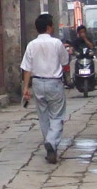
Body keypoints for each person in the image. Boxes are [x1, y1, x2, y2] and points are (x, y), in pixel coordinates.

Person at [21, 13, 69, 164]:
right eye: (52, 25)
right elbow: (65, 61)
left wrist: (25, 88)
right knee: (57, 115)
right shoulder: (56, 43)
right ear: (49, 27)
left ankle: (50, 149)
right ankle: (51, 141)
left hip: (37, 83)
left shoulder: (31, 45)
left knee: (43, 116)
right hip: (54, 83)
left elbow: (27, 68)